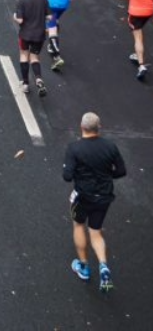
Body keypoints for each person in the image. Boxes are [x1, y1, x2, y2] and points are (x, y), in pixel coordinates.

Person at [63, 112, 126, 292]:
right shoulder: (110, 147)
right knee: (95, 231)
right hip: (104, 196)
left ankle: (83, 267)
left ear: (81, 126)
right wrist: (106, 175)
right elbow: (121, 171)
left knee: (78, 225)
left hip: (83, 197)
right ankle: (103, 266)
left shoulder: (74, 148)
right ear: (99, 127)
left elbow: (67, 176)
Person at [14, 0, 49, 96]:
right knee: (34, 57)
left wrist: (14, 16)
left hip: (25, 34)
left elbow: (20, 20)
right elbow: (50, 17)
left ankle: (25, 84)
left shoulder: (20, 0)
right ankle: (38, 79)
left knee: (24, 55)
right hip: (39, 35)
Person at [122, 0, 153, 80]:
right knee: (139, 30)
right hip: (149, 11)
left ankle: (141, 65)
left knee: (138, 37)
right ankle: (137, 54)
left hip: (135, 12)